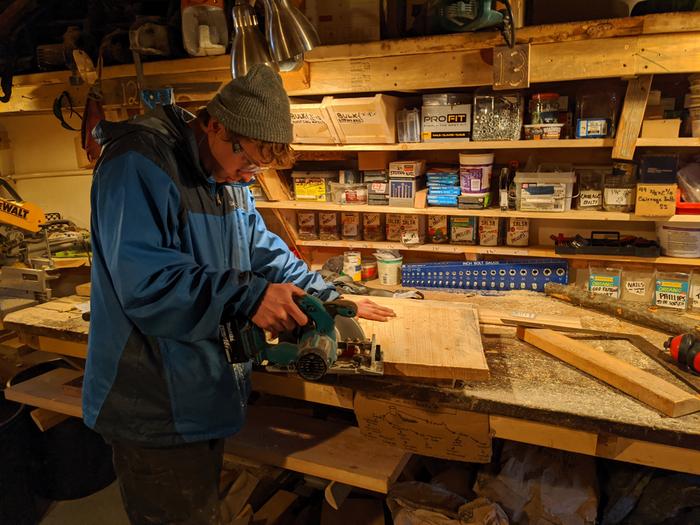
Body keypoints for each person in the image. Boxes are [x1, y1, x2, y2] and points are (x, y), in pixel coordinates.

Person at [83, 64, 395, 524]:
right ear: (215, 125)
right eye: (248, 160)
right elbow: (147, 284)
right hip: (152, 401)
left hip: (202, 390)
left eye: (260, 167)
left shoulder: (227, 178)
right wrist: (249, 296)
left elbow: (260, 249)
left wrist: (326, 295)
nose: (250, 175)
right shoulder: (138, 164)